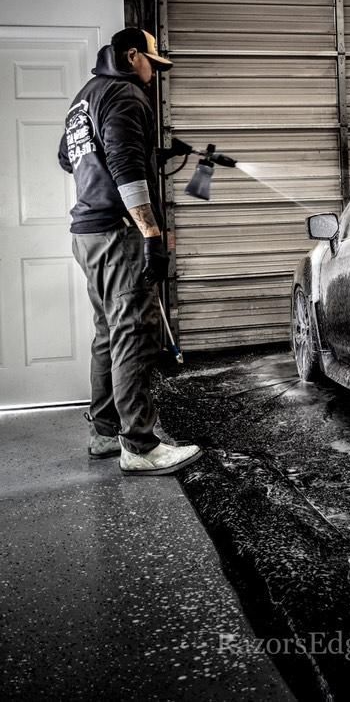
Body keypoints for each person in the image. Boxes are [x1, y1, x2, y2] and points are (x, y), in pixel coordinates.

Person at [58, 28, 202, 475]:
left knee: (108, 332)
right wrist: (152, 236)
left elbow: (69, 158)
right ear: (132, 55)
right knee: (134, 333)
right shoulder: (123, 94)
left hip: (87, 232)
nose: (153, 76)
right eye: (151, 66)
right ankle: (139, 445)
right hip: (118, 233)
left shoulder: (85, 97)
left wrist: (150, 153)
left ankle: (104, 431)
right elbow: (123, 168)